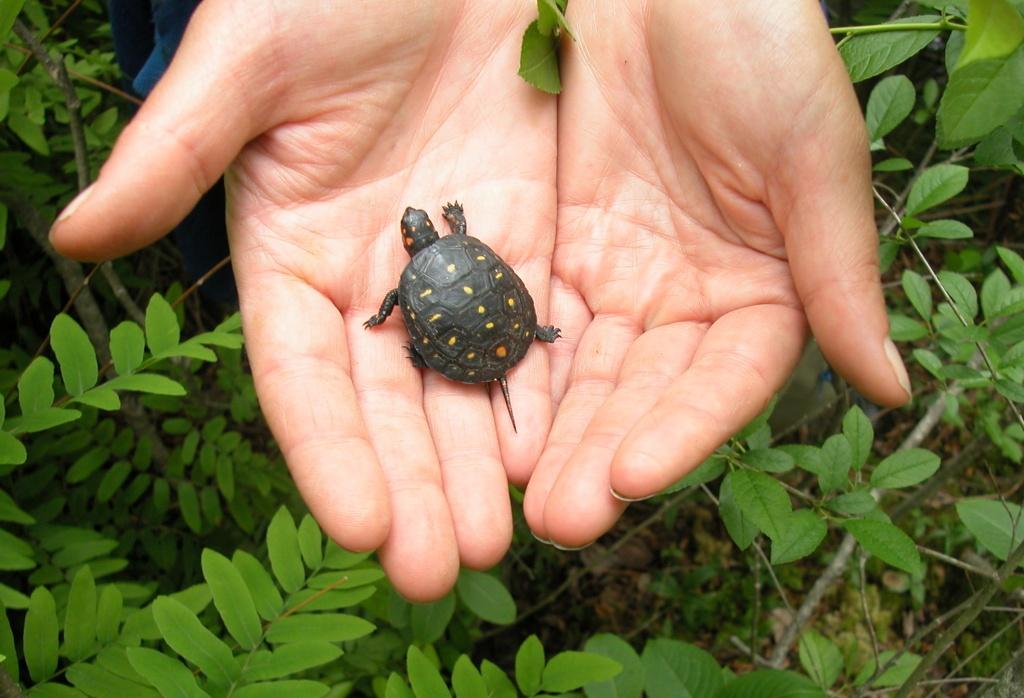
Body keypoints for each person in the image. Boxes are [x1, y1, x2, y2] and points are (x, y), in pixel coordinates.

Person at [49, 0, 911, 601]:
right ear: (436, 232)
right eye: (429, 223)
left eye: (421, 222)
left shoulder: (415, 271)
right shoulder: (455, 248)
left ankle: (509, 346)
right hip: (505, 318)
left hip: (476, 324)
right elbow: (489, 266)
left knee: (420, 347)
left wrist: (391, 320)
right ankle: (530, 336)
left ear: (416, 239)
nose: (424, 224)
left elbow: (397, 306)